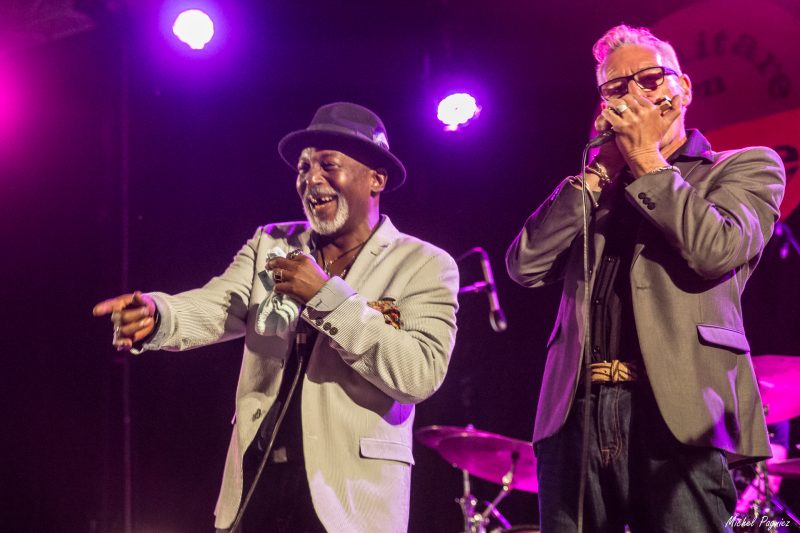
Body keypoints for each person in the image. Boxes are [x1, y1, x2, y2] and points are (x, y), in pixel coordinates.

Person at [93, 102, 459, 532]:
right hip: (258, 482)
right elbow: (218, 304)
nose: (311, 179)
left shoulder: (424, 264)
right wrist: (159, 315)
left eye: (328, 165)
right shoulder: (273, 243)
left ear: (376, 178)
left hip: (350, 500)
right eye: (304, 168)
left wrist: (325, 295)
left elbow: (419, 373)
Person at [506, 24, 785, 532]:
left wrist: (646, 159)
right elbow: (525, 265)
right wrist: (599, 173)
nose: (634, 95)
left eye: (650, 79)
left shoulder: (744, 168)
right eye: (616, 87)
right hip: (576, 414)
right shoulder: (597, 187)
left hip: (680, 414)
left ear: (684, 89)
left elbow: (715, 249)